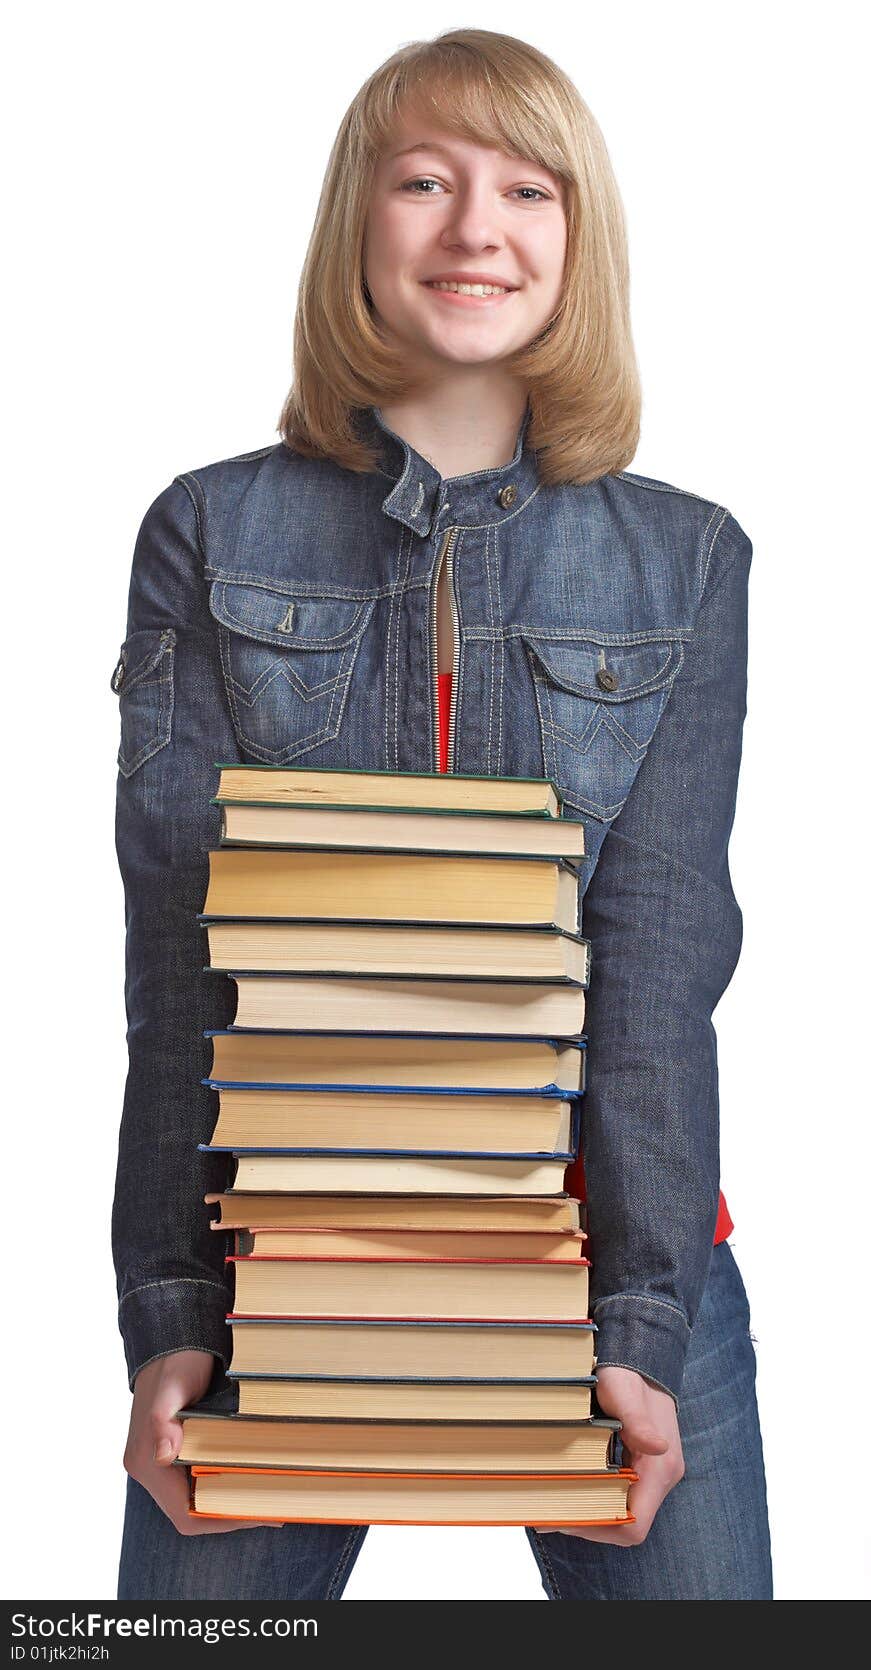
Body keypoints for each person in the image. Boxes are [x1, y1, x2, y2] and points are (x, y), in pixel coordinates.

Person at [112, 28, 773, 1600]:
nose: (478, 227)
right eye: (426, 179)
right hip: (281, 1269)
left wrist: (645, 1321)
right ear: (360, 221)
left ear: (575, 236)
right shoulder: (208, 529)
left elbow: (663, 977)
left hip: (616, 1268)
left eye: (526, 188)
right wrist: (172, 1314)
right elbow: (175, 973)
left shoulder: (686, 561)